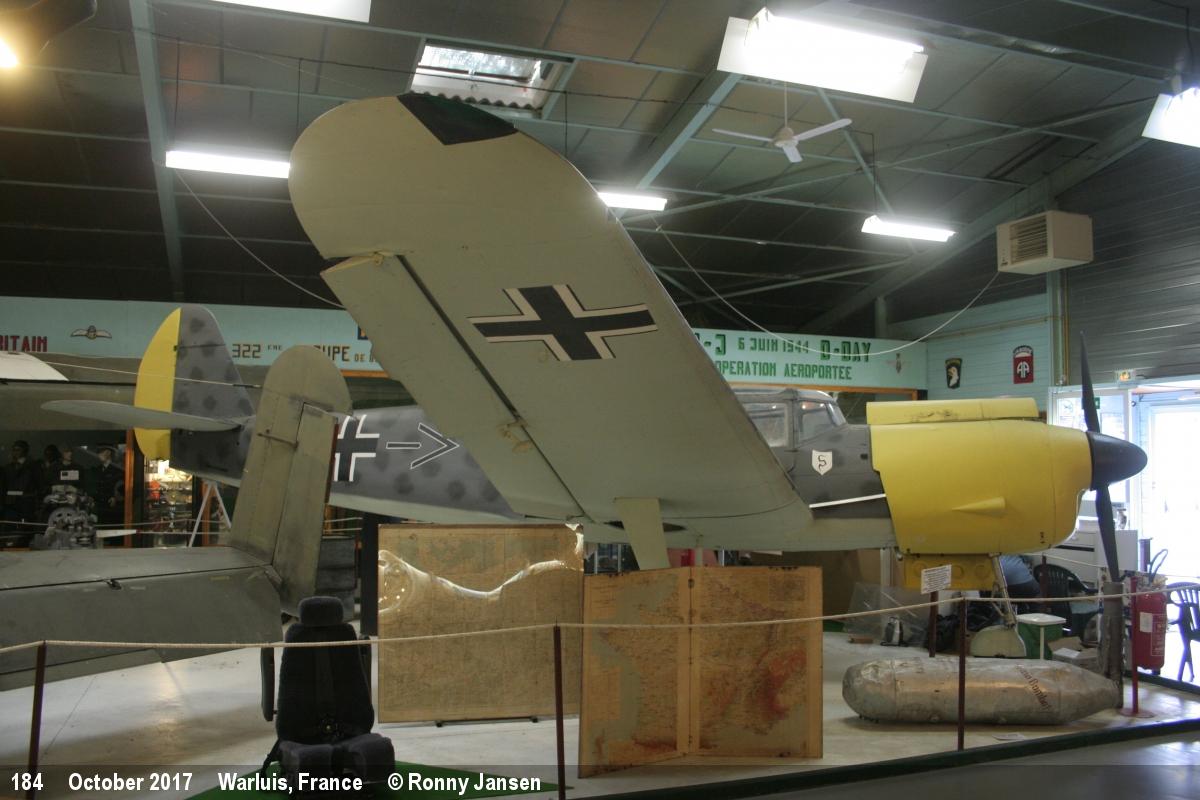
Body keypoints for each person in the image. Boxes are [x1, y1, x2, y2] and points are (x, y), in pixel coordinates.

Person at [2, 440, 44, 544]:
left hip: (27, 504)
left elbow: (40, 486)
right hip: (10, 504)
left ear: (25, 451)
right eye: (13, 449)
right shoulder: (8, 468)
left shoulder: (33, 467)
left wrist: (37, 504)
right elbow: (3, 487)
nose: (15, 452)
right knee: (8, 528)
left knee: (26, 530)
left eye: (18, 449)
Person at [90, 446, 125, 528]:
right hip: (100, 508)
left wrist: (116, 497)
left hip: (113, 509)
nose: (99, 455)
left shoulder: (118, 469)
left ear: (108, 453)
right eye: (98, 453)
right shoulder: (97, 469)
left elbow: (123, 487)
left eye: (101, 452)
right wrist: (92, 498)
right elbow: (96, 487)